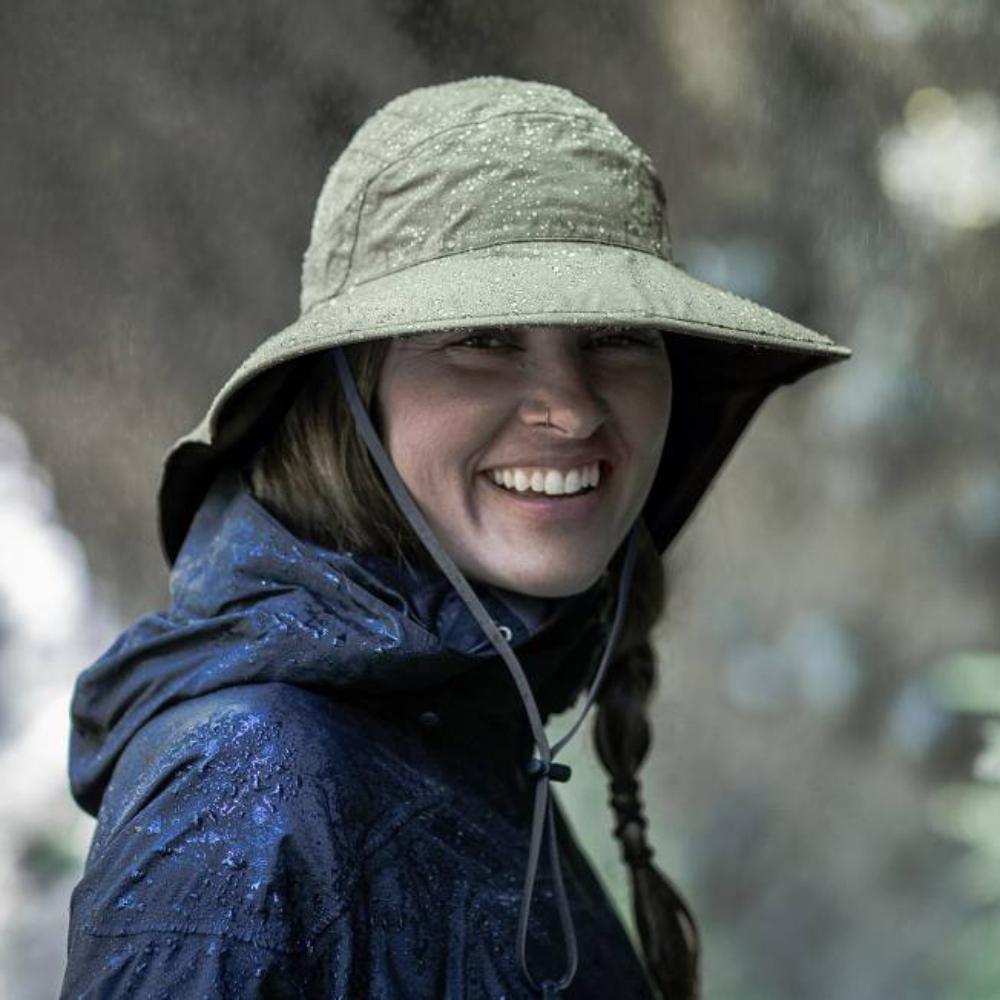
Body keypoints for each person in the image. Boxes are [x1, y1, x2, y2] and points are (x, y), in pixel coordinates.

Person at [61, 77, 850, 999]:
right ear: (353, 395)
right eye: (482, 338)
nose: (572, 407)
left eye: (617, 336)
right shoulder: (244, 787)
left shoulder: (458, 713)